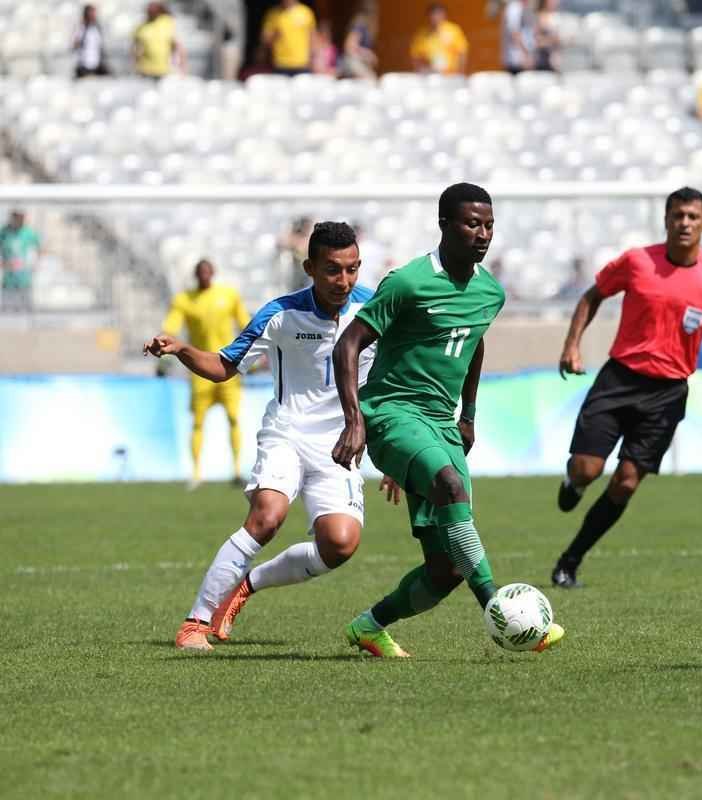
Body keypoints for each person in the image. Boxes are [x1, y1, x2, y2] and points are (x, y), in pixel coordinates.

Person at [330, 184, 564, 657]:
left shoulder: (490, 292)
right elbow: (347, 344)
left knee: (447, 569)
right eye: (472, 224)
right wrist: (355, 420)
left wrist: (468, 415)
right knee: (450, 486)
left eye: (489, 225)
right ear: (444, 225)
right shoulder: (408, 283)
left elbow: (473, 343)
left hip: (441, 424)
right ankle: (500, 610)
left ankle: (369, 626)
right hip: (392, 411)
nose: (483, 234)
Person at [147, 224, 381, 652]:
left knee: (340, 544)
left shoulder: (376, 310)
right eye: (332, 270)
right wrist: (181, 349)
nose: (343, 280)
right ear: (309, 268)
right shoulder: (280, 314)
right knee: (267, 517)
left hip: (340, 446)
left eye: (352, 269)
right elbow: (223, 365)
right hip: (287, 434)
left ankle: (247, 586)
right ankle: (195, 622)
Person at [551, 187, 702, 588]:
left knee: (625, 482)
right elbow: (592, 296)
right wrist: (572, 345)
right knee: (588, 469)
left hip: (668, 392)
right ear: (666, 220)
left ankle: (570, 562)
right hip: (619, 379)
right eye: (678, 215)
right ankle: (574, 481)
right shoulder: (638, 261)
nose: (685, 223)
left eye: (693, 217)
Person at [160, 260, 250, 488]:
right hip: (200, 370)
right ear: (195, 275)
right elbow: (171, 326)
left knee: (233, 418)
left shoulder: (228, 295)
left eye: (207, 272)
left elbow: (246, 324)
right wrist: (163, 346)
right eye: (200, 272)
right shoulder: (184, 300)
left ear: (213, 273)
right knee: (198, 422)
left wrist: (256, 352)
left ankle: (237, 470)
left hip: (228, 367)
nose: (204, 276)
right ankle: (196, 474)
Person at [410, 3, 469, 75]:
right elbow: (415, 56)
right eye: (433, 14)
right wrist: (421, 71)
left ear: (444, 15)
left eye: (438, 14)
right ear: (428, 16)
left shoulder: (453, 31)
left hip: (451, 74)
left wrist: (460, 73)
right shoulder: (421, 35)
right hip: (431, 75)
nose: (435, 17)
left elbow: (462, 52)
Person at [262, 0, 317, 76]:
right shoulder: (273, 14)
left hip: (302, 63)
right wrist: (274, 35)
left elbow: (312, 37)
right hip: (280, 63)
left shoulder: (306, 12)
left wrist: (313, 58)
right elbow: (265, 40)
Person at [0, 210, 41, 311]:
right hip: (8, 282)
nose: (20, 220)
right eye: (17, 217)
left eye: (22, 217)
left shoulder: (29, 233)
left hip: (24, 280)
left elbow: (39, 248)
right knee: (7, 311)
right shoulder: (3, 232)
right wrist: (4, 263)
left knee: (27, 310)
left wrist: (34, 263)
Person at [133, 2, 184, 79]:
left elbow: (177, 45)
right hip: (145, 69)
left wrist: (180, 66)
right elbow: (136, 48)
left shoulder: (167, 23)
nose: (151, 12)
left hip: (165, 69)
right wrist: (136, 63)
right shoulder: (141, 27)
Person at [72, 5, 109, 78]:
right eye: (91, 13)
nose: (93, 15)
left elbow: (100, 45)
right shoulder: (81, 28)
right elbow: (75, 44)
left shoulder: (97, 28)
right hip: (84, 64)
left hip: (97, 64)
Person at [341, 12, 378, 79]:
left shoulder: (366, 28)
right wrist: (367, 54)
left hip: (360, 62)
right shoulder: (360, 27)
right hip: (353, 61)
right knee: (370, 79)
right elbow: (350, 46)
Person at [502, 0, 533, 74]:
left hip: (522, 58)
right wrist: (526, 55)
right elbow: (514, 33)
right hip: (516, 59)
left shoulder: (524, 7)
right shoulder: (514, 8)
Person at [532, 0, 561, 72]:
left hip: (553, 59)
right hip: (542, 59)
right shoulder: (539, 17)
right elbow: (537, 40)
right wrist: (553, 40)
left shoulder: (556, 16)